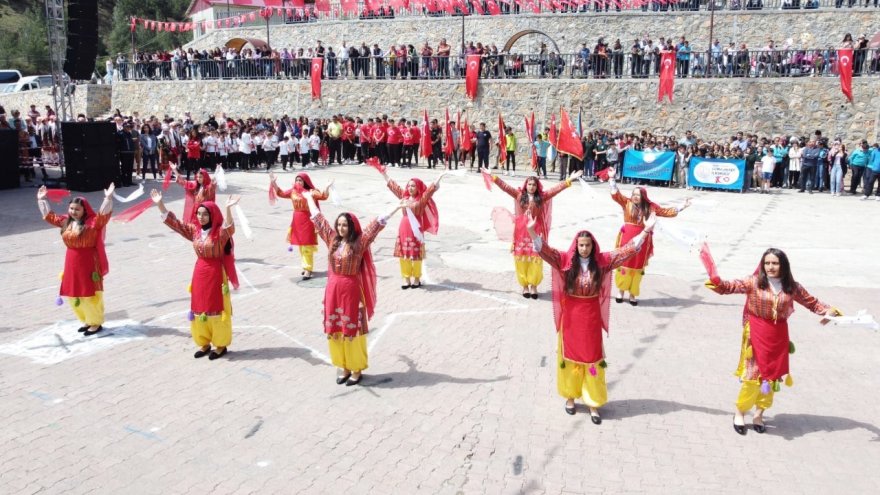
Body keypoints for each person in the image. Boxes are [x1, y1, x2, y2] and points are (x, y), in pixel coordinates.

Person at [528, 212, 656, 423]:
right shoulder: (565, 261)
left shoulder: (603, 262)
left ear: (592, 246)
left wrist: (645, 230)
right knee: (569, 358)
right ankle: (570, 396)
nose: (584, 249)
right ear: (576, 246)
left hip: (591, 319)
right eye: (581, 245)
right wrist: (532, 230)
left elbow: (626, 251)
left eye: (587, 245)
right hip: (570, 319)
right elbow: (545, 251)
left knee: (593, 359)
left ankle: (593, 402)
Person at [705, 248, 841, 435]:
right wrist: (716, 281)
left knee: (772, 377)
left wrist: (829, 311)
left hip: (778, 336)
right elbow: (729, 287)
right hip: (755, 334)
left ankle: (759, 414)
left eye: (775, 263)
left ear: (783, 265)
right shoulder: (752, 282)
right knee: (752, 377)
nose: (770, 267)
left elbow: (813, 303)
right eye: (767, 263)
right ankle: (740, 412)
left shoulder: (792, 286)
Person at [303, 192, 403, 386]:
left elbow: (376, 225)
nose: (341, 228)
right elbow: (317, 218)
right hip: (332, 291)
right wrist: (308, 198)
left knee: (353, 331)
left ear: (351, 226)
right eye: (339, 224)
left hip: (351, 292)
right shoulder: (332, 240)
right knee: (336, 329)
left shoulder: (359, 243)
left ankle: (356, 368)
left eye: (345, 225)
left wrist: (396, 208)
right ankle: (343, 366)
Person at [151, 189, 241, 360]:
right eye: (199, 214)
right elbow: (176, 224)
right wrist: (160, 204)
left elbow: (230, 228)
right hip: (199, 273)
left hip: (216, 274)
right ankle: (204, 342)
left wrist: (228, 208)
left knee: (216, 309)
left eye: (205, 214)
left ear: (212, 215)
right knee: (199, 307)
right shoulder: (195, 231)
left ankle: (220, 344)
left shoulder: (219, 233)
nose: (201, 217)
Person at [483, 169, 583, 298]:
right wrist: (492, 175)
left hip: (536, 231)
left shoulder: (541, 197)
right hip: (521, 231)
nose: (531, 187)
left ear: (537, 187)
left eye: (534, 185)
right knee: (522, 258)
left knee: (536, 258)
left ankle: (534, 286)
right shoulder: (519, 195)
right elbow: (505, 187)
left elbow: (556, 189)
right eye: (529, 184)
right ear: (526, 185)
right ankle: (525, 286)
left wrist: (569, 179)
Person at [37, 184, 115, 336]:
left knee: (90, 293)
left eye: (77, 209)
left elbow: (104, 215)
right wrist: (42, 200)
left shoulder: (93, 222)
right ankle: (86, 319)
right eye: (71, 208)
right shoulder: (66, 221)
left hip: (89, 262)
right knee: (74, 293)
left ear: (84, 210)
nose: (73, 212)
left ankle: (95, 322)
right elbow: (49, 216)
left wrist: (108, 198)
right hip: (71, 261)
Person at [607, 167, 689, 305]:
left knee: (637, 265)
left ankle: (633, 294)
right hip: (626, 237)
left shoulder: (651, 208)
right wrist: (612, 178)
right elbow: (615, 194)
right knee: (624, 262)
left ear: (643, 196)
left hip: (643, 240)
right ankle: (620, 292)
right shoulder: (626, 203)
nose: (635, 196)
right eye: (633, 194)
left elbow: (666, 211)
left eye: (638, 195)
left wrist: (682, 206)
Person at [378, 170, 446, 289]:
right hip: (404, 228)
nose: (410, 188)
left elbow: (431, 189)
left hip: (416, 229)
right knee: (404, 254)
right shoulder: (404, 197)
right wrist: (384, 174)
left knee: (416, 255)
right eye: (408, 185)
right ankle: (406, 278)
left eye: (413, 186)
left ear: (418, 187)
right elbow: (394, 186)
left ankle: (417, 278)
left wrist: (440, 176)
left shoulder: (422, 199)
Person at [269, 172, 332, 279]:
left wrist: (326, 187)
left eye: (300, 180)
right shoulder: (293, 191)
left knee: (307, 246)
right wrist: (273, 183)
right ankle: (305, 266)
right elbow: (281, 193)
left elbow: (323, 196)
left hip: (308, 221)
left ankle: (308, 269)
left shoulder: (311, 192)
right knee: (301, 246)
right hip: (297, 221)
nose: (298, 182)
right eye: (297, 180)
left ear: (305, 182)